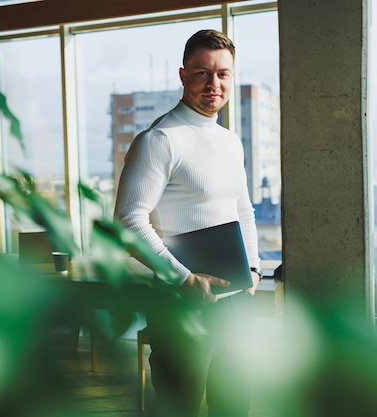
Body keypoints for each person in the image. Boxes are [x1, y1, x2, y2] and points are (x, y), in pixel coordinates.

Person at [114, 29, 262, 417]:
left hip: (235, 304)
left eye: (223, 74)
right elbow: (128, 221)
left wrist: (253, 269)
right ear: (183, 76)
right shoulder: (159, 140)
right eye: (202, 73)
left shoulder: (230, 141)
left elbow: (242, 209)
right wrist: (185, 279)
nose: (214, 84)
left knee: (234, 406)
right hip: (181, 306)